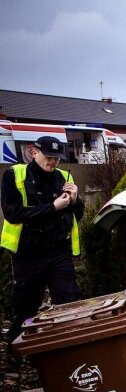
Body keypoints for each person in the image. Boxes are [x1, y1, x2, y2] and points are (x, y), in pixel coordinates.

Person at [1, 136, 83, 348]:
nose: (52, 162)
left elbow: (78, 215)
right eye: (48, 157)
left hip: (58, 252)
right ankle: (16, 347)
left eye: (56, 158)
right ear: (33, 152)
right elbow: (13, 213)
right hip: (28, 253)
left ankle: (65, 348)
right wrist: (53, 207)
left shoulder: (64, 177)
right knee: (26, 306)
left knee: (68, 302)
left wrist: (75, 201)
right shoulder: (15, 175)